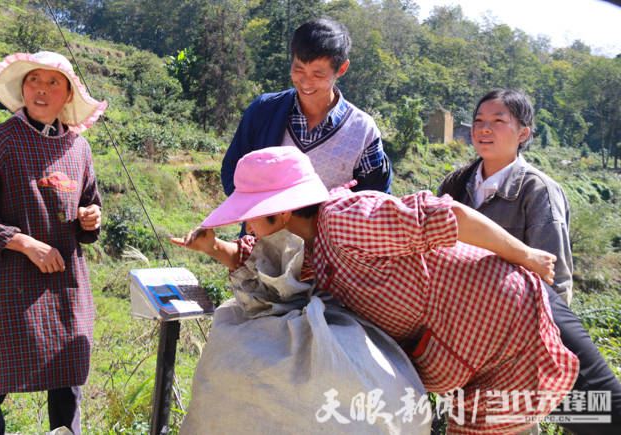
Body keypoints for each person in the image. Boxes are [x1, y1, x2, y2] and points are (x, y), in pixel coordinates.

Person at [172, 146, 621, 434]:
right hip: (473, 362)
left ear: (283, 210)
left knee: (598, 414)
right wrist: (215, 248)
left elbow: (452, 218)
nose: (248, 220)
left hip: (518, 318)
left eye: (253, 210)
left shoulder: (348, 218)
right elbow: (266, 269)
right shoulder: (313, 247)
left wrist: (524, 254)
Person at [0, 51, 107, 435]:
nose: (42, 89)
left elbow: (90, 210)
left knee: (66, 383)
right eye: (34, 80)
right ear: (23, 89)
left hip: (66, 289)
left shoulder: (79, 149)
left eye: (54, 82)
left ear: (68, 94)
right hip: (9, 290)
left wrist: (91, 218)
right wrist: (25, 244)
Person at [221, 18, 392, 199]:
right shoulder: (263, 110)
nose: (305, 82)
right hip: (263, 228)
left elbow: (375, 202)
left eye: (318, 74)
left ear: (341, 69)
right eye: (299, 69)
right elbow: (232, 171)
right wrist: (261, 216)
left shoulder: (363, 131)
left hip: (329, 228)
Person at [438, 89, 573, 305]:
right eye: (479, 120)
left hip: (509, 322)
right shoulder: (454, 184)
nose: (484, 129)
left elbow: (556, 282)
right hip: (450, 313)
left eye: (498, 120)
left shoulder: (538, 192)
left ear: (523, 134)